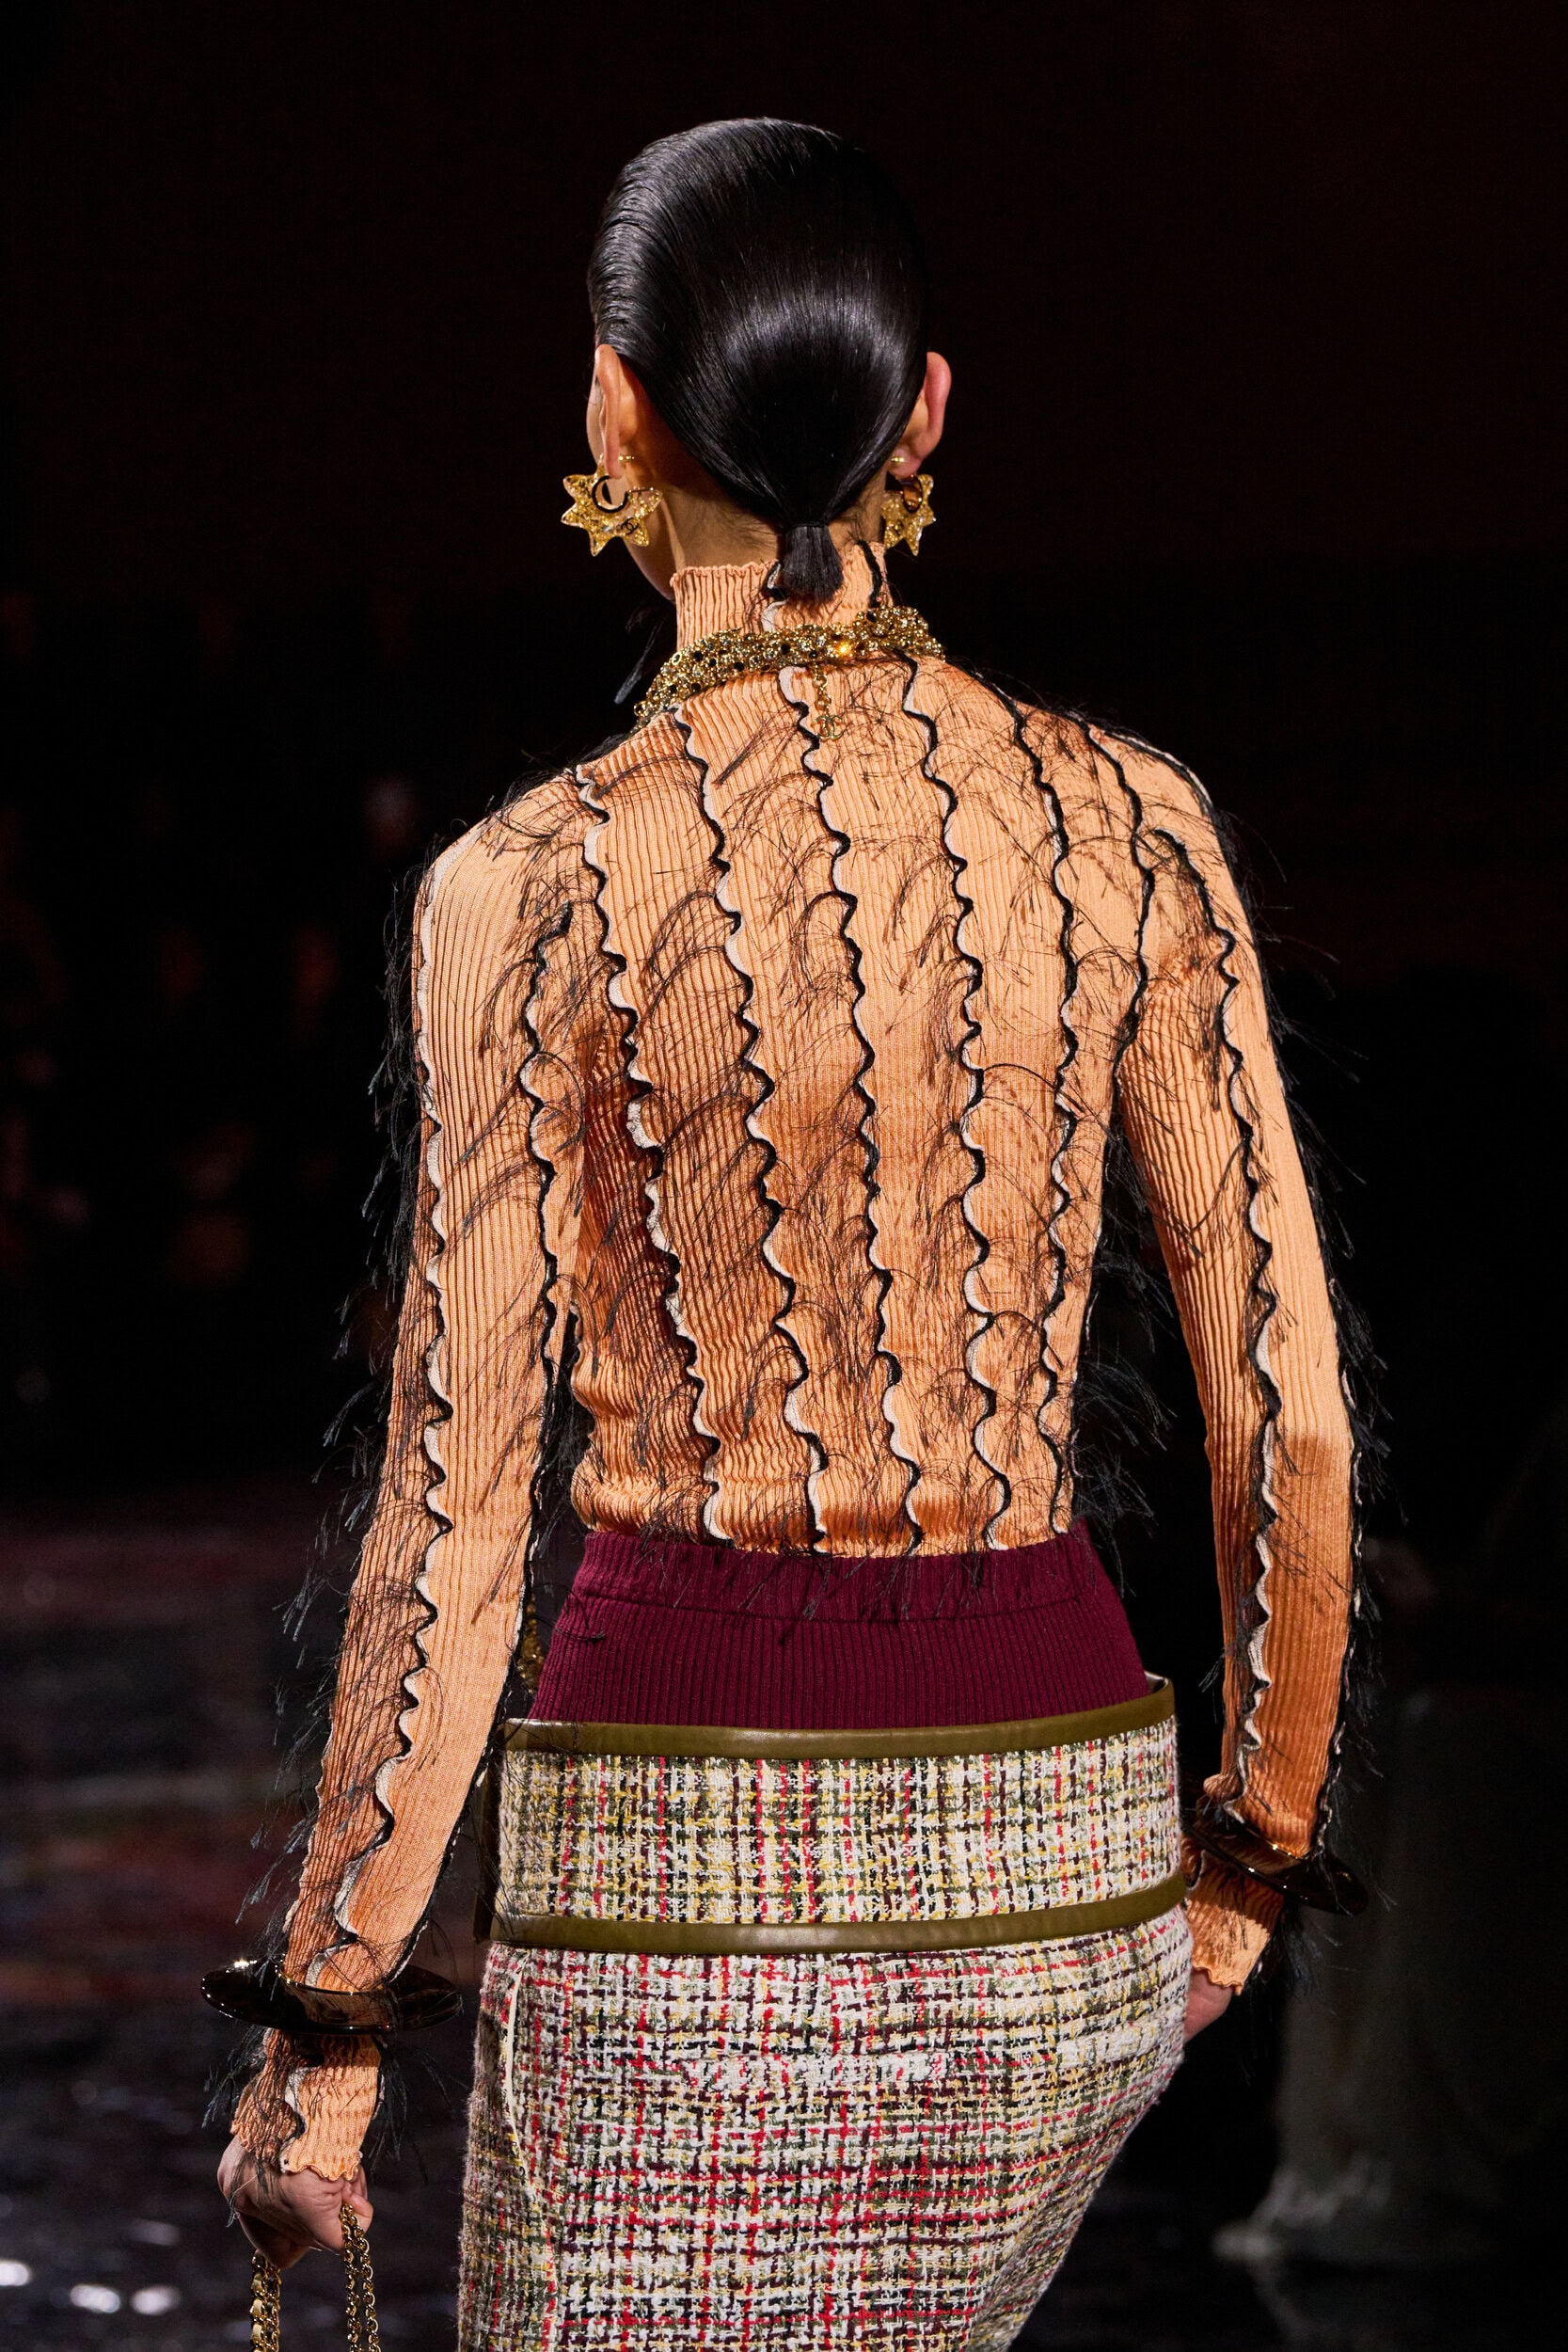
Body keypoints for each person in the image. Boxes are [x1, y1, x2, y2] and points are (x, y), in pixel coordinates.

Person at [214, 119, 1359, 2349]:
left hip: (677, 1861)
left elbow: (457, 1510)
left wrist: (328, 2023)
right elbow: (1289, 1414)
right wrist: (1249, 1859)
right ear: (926, 409)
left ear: (614, 410)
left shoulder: (529, 886)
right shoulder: (1133, 829)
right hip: (1059, 1867)